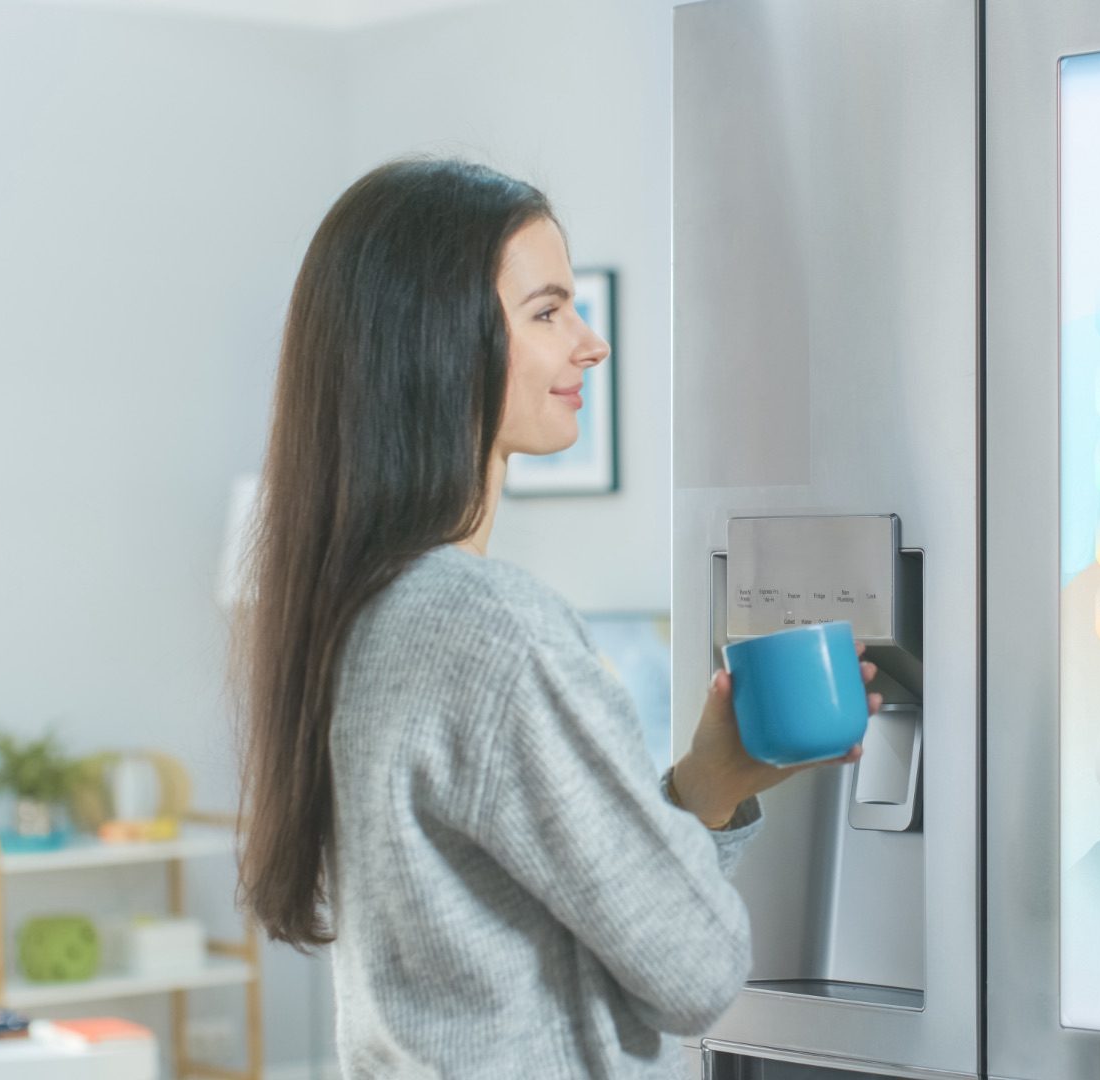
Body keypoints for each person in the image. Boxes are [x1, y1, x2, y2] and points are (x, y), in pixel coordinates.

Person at [231, 157, 870, 1079]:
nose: (590, 343)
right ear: (439, 344)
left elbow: (552, 935)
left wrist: (708, 784)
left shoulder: (365, 616)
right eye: (547, 311)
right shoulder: (490, 627)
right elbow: (694, 970)